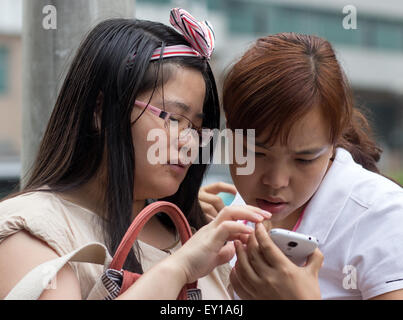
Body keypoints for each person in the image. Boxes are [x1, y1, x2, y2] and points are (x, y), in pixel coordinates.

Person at [0, 9, 271, 300]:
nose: (189, 142)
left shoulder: (199, 238)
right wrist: (178, 268)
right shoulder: (32, 228)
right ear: (100, 111)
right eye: (175, 119)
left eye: (197, 127)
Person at [200, 32, 403, 300]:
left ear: (333, 142)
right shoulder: (233, 214)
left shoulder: (384, 215)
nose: (276, 181)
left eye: (304, 159)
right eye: (255, 153)